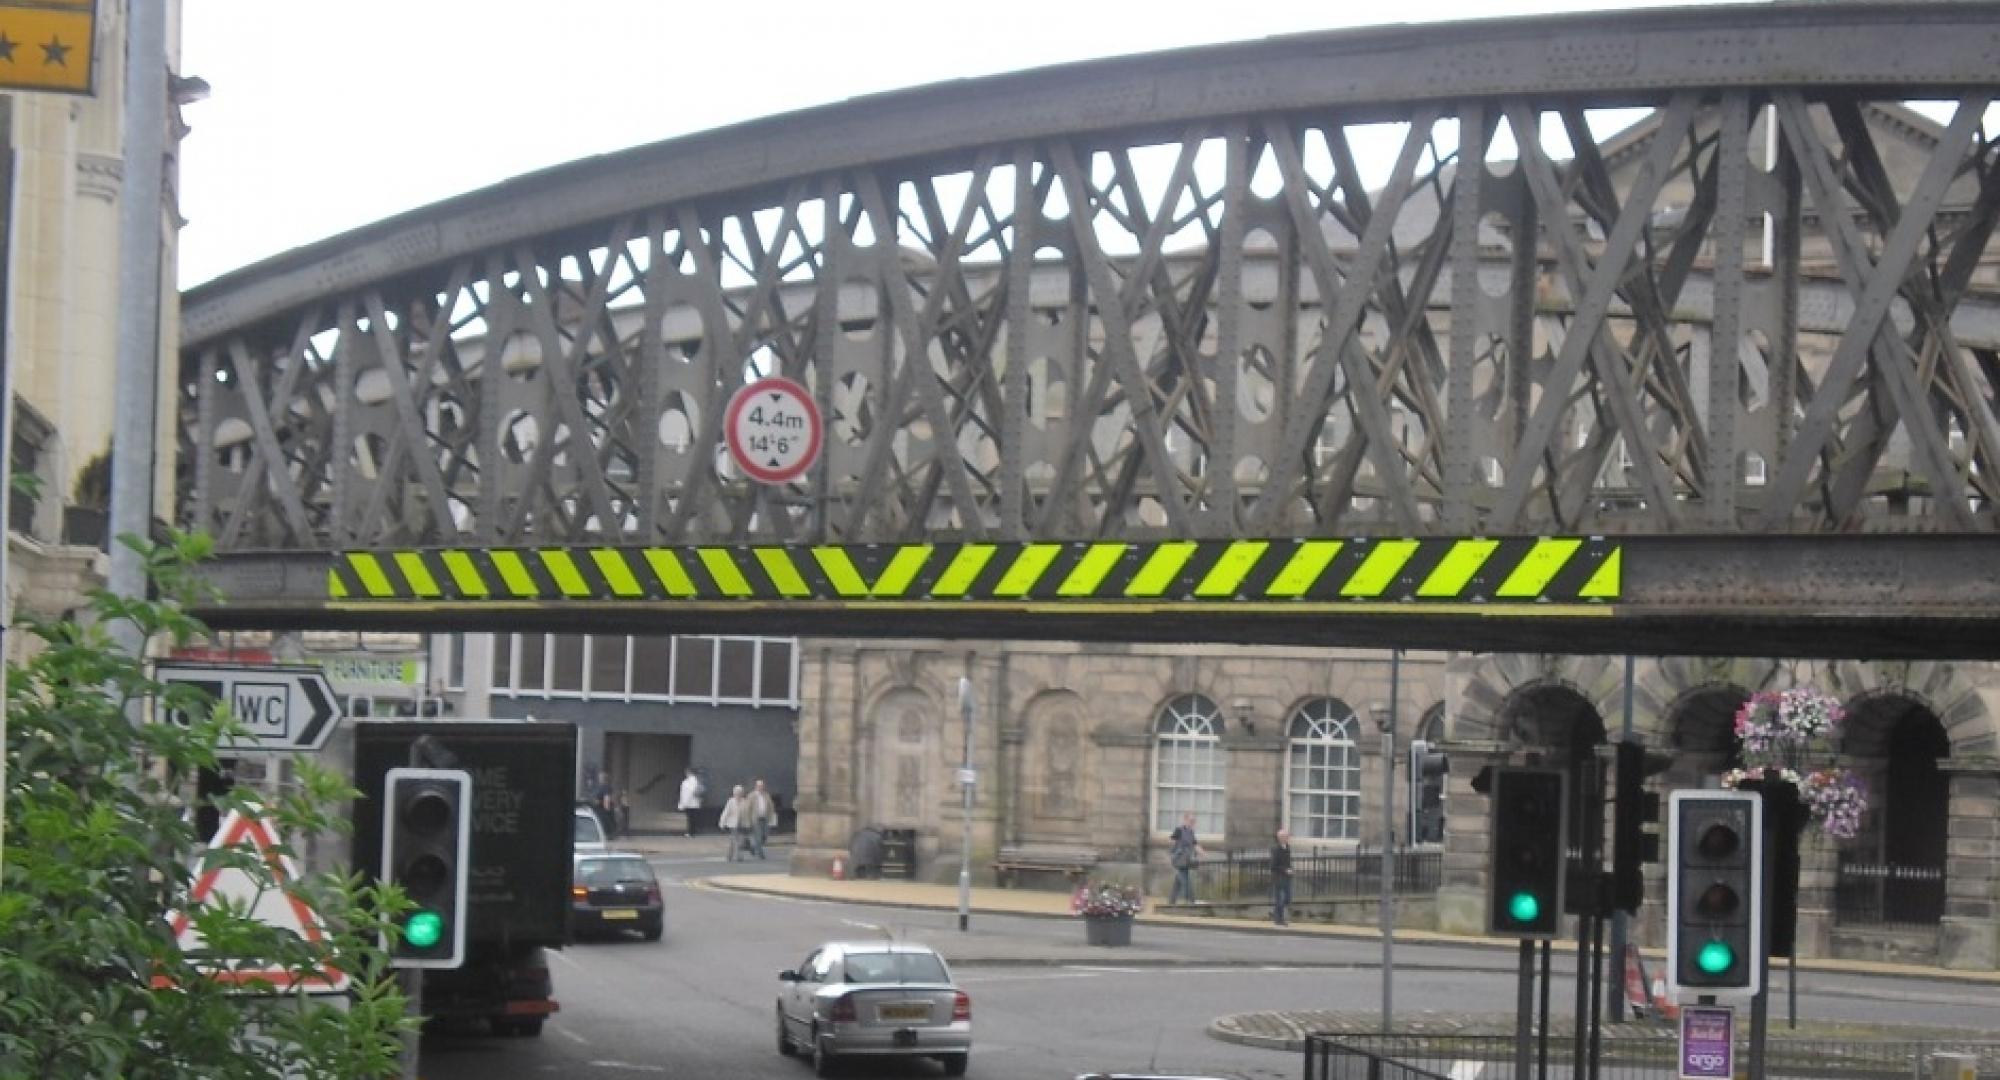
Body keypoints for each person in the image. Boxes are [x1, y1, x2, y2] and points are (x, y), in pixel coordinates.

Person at [1168, 812, 1204, 905]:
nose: (1192, 823)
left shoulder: (1191, 832)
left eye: (1194, 821)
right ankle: (1191, 900)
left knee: (1178, 881)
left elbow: (1195, 844)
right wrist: (1174, 852)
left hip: (1187, 859)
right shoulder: (1178, 830)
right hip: (1179, 859)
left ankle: (1171, 901)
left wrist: (1202, 853)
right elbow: (1171, 841)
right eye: (1191, 821)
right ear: (1185, 820)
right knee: (1185, 880)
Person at [719, 784, 750, 862]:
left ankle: (735, 856)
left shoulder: (745, 801)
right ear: (734, 793)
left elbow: (747, 813)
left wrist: (748, 823)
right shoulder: (730, 801)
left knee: (740, 841)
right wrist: (722, 823)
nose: (738, 794)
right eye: (737, 793)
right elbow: (726, 812)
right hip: (733, 825)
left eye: (740, 792)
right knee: (734, 840)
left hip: (742, 824)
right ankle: (734, 856)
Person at [1270, 828, 1293, 925]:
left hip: (1287, 877)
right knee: (1279, 898)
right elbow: (1273, 866)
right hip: (1279, 877)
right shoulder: (1276, 849)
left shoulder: (1287, 847)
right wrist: (1285, 870)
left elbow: (1287, 862)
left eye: (1288, 836)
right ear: (1280, 838)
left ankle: (1275, 914)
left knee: (1288, 898)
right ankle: (1279, 919)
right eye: (1286, 836)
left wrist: (1291, 869)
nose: (1288, 838)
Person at [748, 779, 776, 860]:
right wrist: (748, 820)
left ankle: (753, 847)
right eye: (759, 786)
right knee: (758, 836)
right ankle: (760, 854)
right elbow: (748, 808)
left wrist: (771, 816)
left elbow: (771, 806)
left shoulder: (766, 795)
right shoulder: (751, 796)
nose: (761, 787)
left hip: (765, 818)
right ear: (756, 786)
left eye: (762, 786)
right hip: (755, 819)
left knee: (765, 836)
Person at [678, 767, 704, 837]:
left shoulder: (686, 782)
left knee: (690, 819)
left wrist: (682, 804)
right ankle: (693, 831)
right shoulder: (697, 781)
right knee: (693, 818)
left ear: (688, 773)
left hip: (689, 803)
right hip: (696, 803)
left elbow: (685, 794)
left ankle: (690, 832)